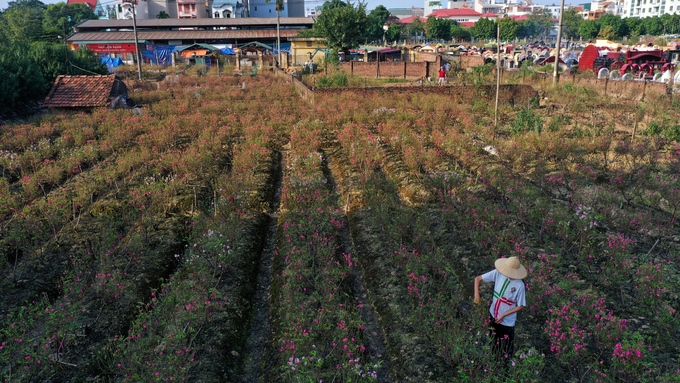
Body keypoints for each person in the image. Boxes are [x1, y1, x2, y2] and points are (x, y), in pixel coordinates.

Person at [474, 256, 527, 363]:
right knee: (493, 340)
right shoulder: (498, 273)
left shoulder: (520, 285)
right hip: (493, 314)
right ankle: (492, 362)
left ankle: (505, 367)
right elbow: (478, 278)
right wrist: (477, 295)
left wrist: (504, 315)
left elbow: (521, 305)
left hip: (507, 321)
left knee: (506, 346)